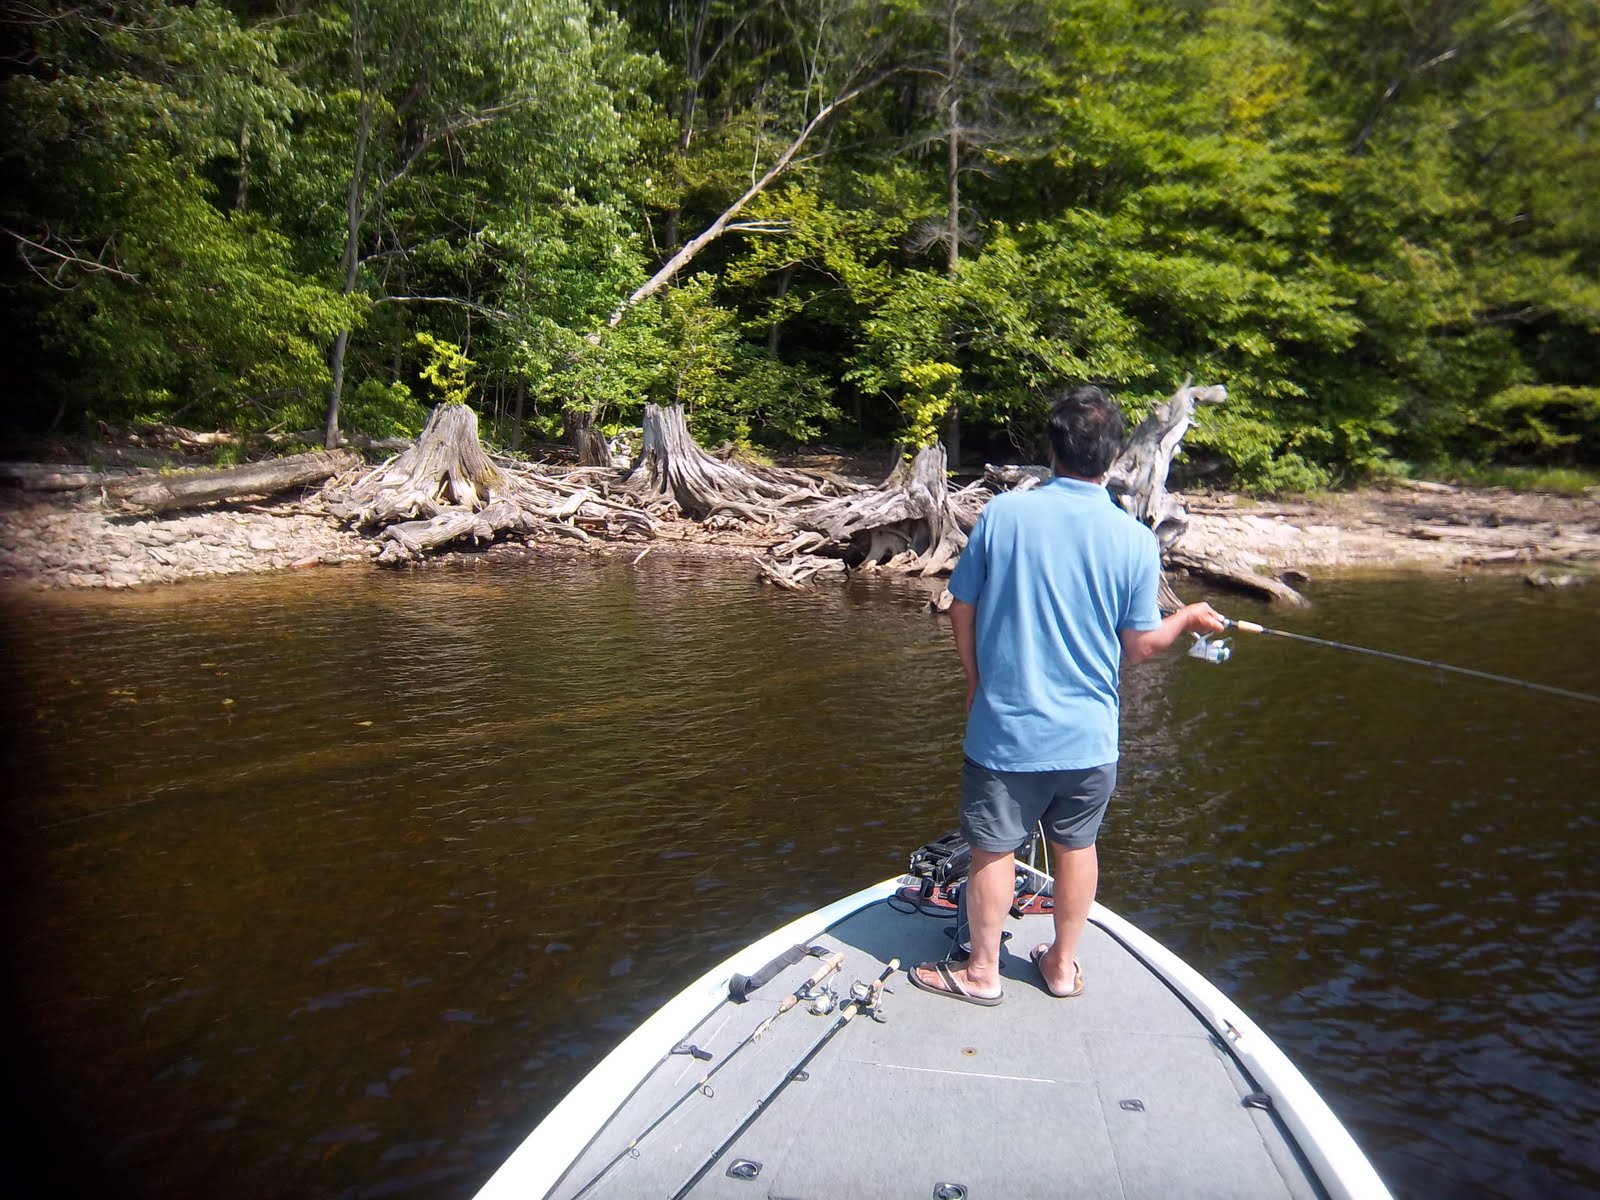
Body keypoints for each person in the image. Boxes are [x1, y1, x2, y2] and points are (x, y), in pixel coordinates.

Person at [909, 385, 1225, 1005]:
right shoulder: (1133, 538)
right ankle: (1060, 965)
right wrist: (1186, 619)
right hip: (1089, 739)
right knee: (1078, 846)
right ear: (1111, 458)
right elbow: (1140, 646)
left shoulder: (1005, 514)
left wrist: (976, 684)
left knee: (994, 848)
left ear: (1052, 448)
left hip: (1006, 731)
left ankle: (981, 974)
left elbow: (959, 607)